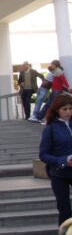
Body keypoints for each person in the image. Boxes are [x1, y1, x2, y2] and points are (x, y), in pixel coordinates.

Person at [39, 93, 72, 226]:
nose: (68, 112)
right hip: (59, 174)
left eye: (70, 108)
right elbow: (43, 154)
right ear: (57, 110)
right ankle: (65, 233)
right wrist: (63, 160)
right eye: (65, 109)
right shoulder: (51, 128)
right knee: (65, 209)